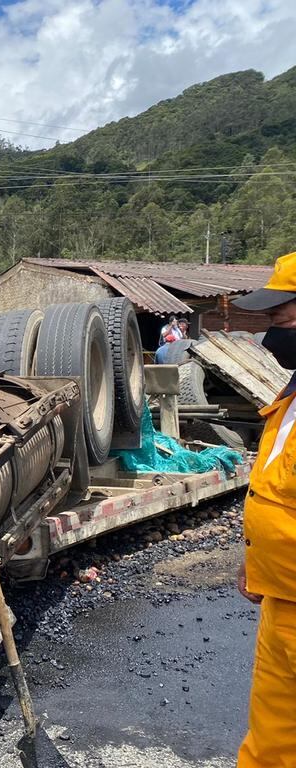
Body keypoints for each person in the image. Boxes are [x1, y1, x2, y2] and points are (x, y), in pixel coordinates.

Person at [232, 251, 296, 768]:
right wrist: (256, 561)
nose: (271, 327)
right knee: (272, 739)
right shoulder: (291, 394)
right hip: (280, 596)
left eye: (282, 313)